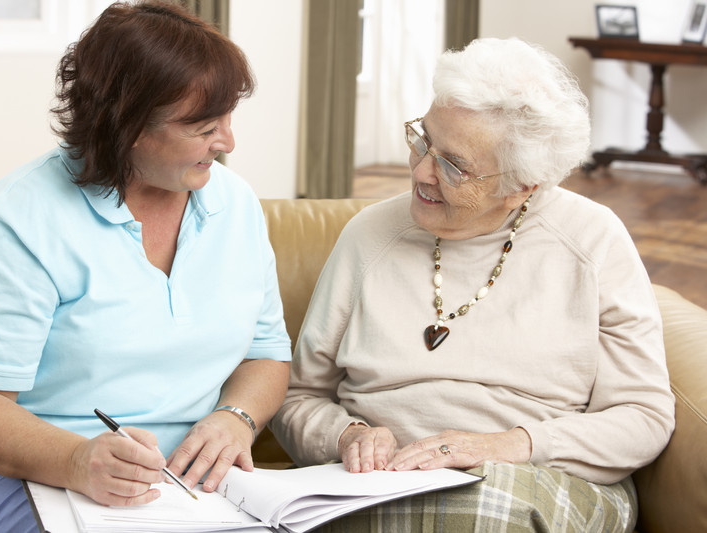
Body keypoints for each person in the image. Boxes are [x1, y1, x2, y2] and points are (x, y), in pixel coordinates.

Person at [270, 37, 674, 532]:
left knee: (481, 517)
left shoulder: (591, 241)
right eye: (424, 140)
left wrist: (511, 446)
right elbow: (296, 396)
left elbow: (642, 417)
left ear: (523, 185)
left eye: (453, 165)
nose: (420, 171)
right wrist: (346, 435)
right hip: (376, 482)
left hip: (537, 477)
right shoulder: (369, 235)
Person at [0, 2, 291, 531]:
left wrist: (236, 418)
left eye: (227, 117)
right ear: (129, 125)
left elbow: (266, 356)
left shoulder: (236, 205)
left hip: (185, 484)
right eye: (203, 126)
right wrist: (75, 460)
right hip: (13, 477)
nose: (228, 141)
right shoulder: (13, 223)